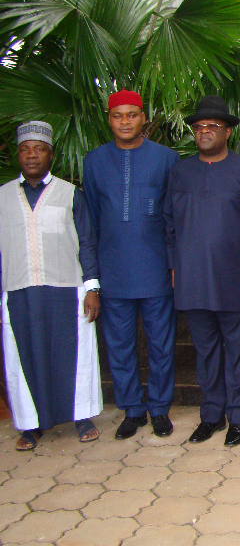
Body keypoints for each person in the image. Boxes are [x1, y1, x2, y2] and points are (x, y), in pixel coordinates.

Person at [164, 96, 240, 447]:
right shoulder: (180, 171)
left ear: (227, 131)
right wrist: (174, 265)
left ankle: (239, 417)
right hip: (192, 278)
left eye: (212, 127)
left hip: (235, 278)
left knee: (238, 350)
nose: (204, 132)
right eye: (198, 127)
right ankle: (211, 415)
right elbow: (168, 224)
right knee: (205, 350)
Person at [83, 90, 179, 440]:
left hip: (156, 268)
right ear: (109, 120)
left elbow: (173, 217)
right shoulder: (93, 161)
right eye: (118, 115)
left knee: (161, 343)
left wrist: (174, 264)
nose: (125, 121)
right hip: (113, 270)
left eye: (132, 115)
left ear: (143, 118)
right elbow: (91, 221)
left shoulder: (166, 158)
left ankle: (159, 409)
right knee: (119, 345)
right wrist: (92, 277)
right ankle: (132, 409)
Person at [0, 121, 103, 451]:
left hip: (66, 289)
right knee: (23, 357)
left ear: (51, 155)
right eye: (25, 149)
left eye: (39, 149)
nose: (32, 155)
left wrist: (93, 288)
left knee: (73, 356)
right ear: (18, 154)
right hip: (18, 290)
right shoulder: (2, 197)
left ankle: (81, 417)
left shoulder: (70, 194)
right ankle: (31, 425)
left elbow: (86, 242)